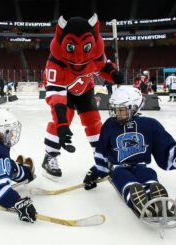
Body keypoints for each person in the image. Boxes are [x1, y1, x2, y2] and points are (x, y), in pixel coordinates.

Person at [83, 86, 176, 218]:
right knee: (123, 179)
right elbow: (102, 153)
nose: (117, 113)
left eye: (121, 109)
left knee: (149, 178)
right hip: (119, 168)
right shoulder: (110, 125)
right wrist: (94, 173)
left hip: (142, 167)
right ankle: (139, 200)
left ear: (134, 107)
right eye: (115, 109)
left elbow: (167, 152)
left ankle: (156, 198)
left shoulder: (150, 125)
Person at [41, 14, 124, 179]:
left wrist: (114, 74)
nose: (79, 58)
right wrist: (62, 125)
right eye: (71, 47)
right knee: (61, 121)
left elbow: (103, 67)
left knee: (94, 122)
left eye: (86, 47)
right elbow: (56, 98)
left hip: (85, 90)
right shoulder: (55, 64)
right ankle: (50, 156)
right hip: (65, 93)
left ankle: (101, 157)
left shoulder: (95, 53)